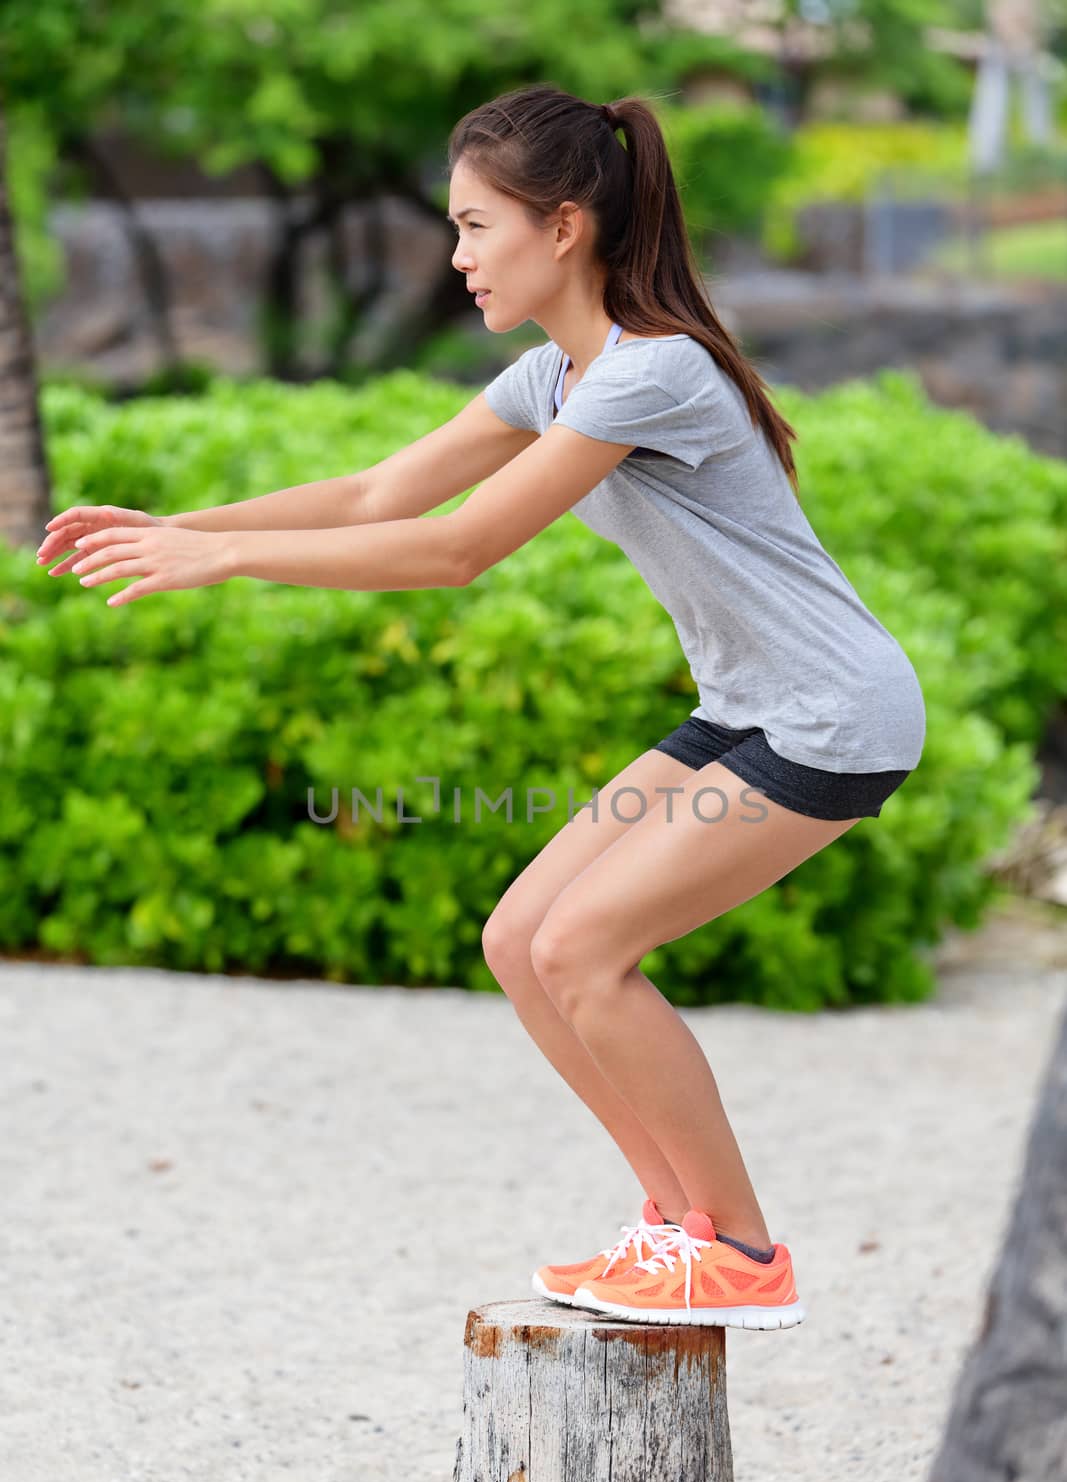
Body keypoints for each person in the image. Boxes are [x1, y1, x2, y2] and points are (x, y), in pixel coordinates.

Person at [35, 84, 925, 1332]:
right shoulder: (556, 375)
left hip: (831, 716)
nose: (454, 257)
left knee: (583, 948)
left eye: (473, 227)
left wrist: (227, 563)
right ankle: (675, 1228)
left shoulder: (648, 376)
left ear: (562, 227)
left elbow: (456, 550)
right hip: (747, 706)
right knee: (522, 941)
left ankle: (739, 1249)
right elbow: (374, 493)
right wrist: (180, 527)